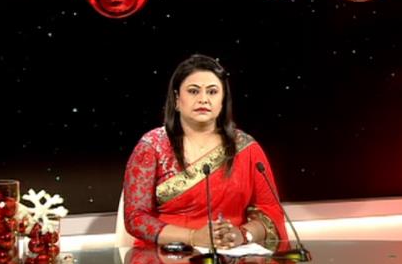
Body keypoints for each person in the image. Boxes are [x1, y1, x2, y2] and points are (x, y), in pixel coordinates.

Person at [123, 54, 289, 252]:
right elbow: (135, 218)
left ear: (222, 100)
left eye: (212, 92)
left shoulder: (246, 148)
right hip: (166, 257)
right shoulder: (151, 147)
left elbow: (270, 212)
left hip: (232, 256)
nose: (203, 99)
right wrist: (193, 237)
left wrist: (242, 234)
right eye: (193, 91)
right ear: (177, 99)